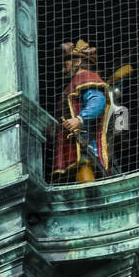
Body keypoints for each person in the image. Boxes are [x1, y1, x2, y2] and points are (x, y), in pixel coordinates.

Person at [52, 39, 113, 182]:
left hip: (85, 143)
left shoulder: (85, 77)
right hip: (73, 143)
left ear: (77, 62)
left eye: (66, 63)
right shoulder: (75, 81)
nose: (63, 69)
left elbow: (98, 102)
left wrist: (79, 119)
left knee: (85, 168)